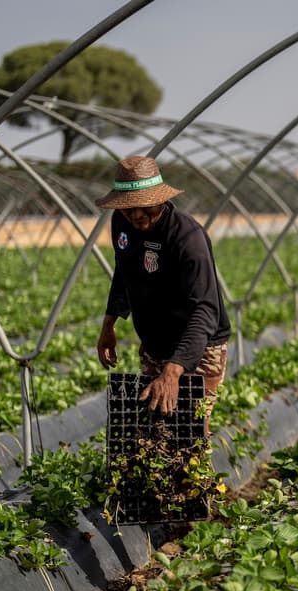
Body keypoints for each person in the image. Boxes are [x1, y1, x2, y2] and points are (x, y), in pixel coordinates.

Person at [95, 156, 231, 422]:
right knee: (150, 429)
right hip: (155, 345)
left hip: (199, 348)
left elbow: (205, 309)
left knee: (186, 433)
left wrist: (173, 371)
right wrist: (109, 323)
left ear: (159, 197)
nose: (135, 214)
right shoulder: (121, 223)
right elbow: (124, 270)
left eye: (143, 205)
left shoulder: (186, 238)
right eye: (128, 207)